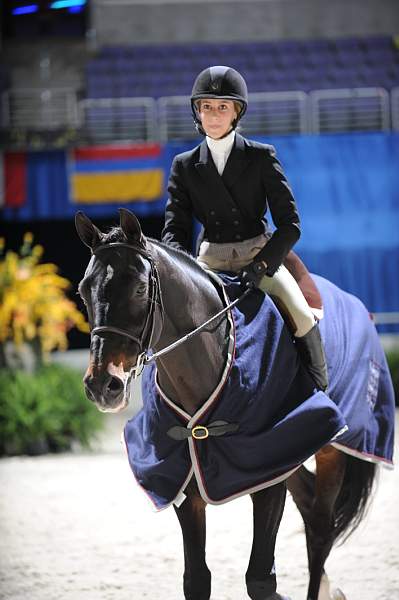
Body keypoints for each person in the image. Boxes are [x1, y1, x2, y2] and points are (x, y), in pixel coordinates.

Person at [162, 65, 328, 392]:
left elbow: (290, 225)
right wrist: (183, 270)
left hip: (258, 254)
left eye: (222, 107)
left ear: (237, 112)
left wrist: (261, 265)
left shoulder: (261, 157)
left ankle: (319, 394)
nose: (213, 115)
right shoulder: (184, 165)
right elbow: (174, 232)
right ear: (197, 111)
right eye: (206, 106)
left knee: (301, 315)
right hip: (209, 262)